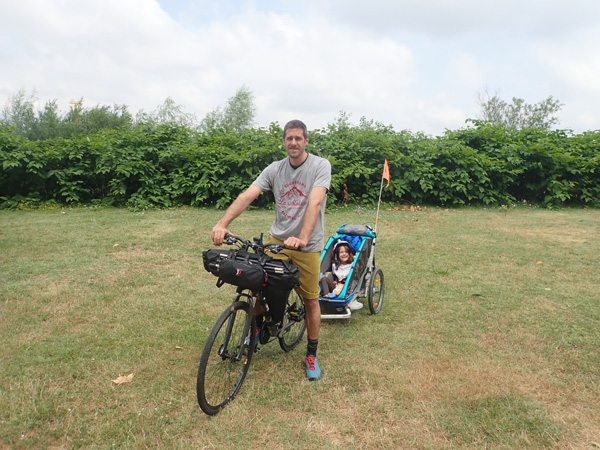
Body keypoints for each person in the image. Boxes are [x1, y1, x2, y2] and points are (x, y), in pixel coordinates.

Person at [211, 119, 331, 381]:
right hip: (278, 241)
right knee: (259, 285)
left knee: (311, 299)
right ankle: (257, 331)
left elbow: (315, 202)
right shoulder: (275, 169)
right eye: (289, 138)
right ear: (284, 141)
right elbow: (247, 195)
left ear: (306, 141)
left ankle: (311, 353)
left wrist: (301, 238)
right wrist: (222, 223)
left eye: (299, 138)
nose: (294, 143)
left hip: (307, 245)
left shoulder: (320, 166)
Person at [320, 241, 363, 310]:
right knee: (324, 279)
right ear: (337, 254)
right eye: (341, 252)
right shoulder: (335, 265)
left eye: (346, 252)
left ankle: (335, 296)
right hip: (336, 287)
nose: (344, 254)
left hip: (347, 288)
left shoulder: (352, 265)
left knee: (342, 287)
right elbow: (336, 276)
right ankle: (326, 295)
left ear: (349, 254)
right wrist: (335, 281)